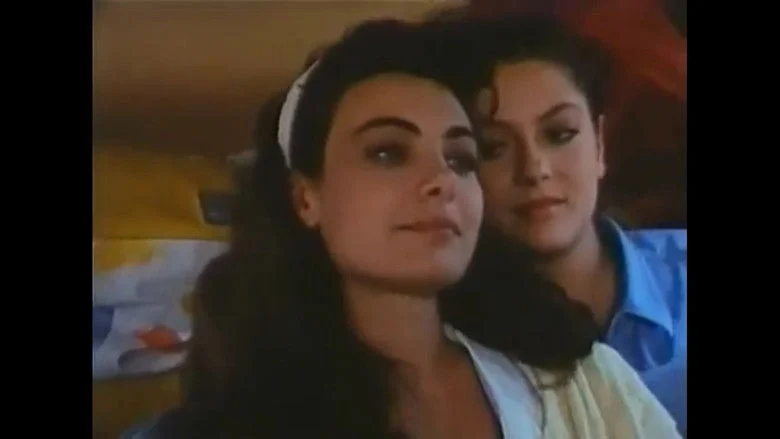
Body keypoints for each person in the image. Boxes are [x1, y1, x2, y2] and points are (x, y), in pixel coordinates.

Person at [124, 19, 679, 438]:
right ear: (305, 196)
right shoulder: (239, 415)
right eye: (388, 152)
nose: (441, 181)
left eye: (460, 159)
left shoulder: (579, 378)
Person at [442, 17, 687, 435]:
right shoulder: (454, 353)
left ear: (600, 145)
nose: (534, 169)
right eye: (494, 147)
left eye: (559, 134)